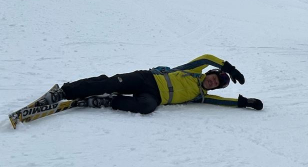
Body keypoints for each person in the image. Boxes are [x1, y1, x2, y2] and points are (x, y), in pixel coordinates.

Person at [32, 54, 263, 115]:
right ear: (209, 73)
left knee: (147, 107)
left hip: (154, 96)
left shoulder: (201, 96)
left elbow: (222, 102)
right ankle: (64, 92)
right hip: (147, 78)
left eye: (216, 84)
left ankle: (109, 100)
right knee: (111, 82)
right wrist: (229, 68)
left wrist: (244, 103)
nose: (213, 82)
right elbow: (207, 57)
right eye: (214, 77)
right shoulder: (193, 70)